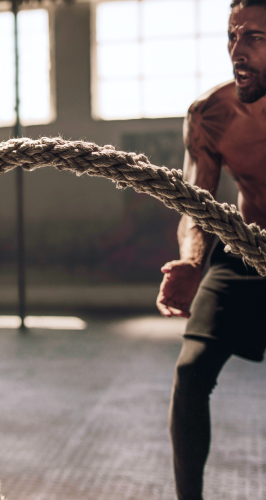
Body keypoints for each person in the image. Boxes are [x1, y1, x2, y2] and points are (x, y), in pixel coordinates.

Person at [156, 1, 266, 498]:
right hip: (243, 250)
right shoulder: (211, 114)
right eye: (232, 36)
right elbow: (195, 202)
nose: (237, 53)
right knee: (190, 372)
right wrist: (193, 260)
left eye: (255, 39)